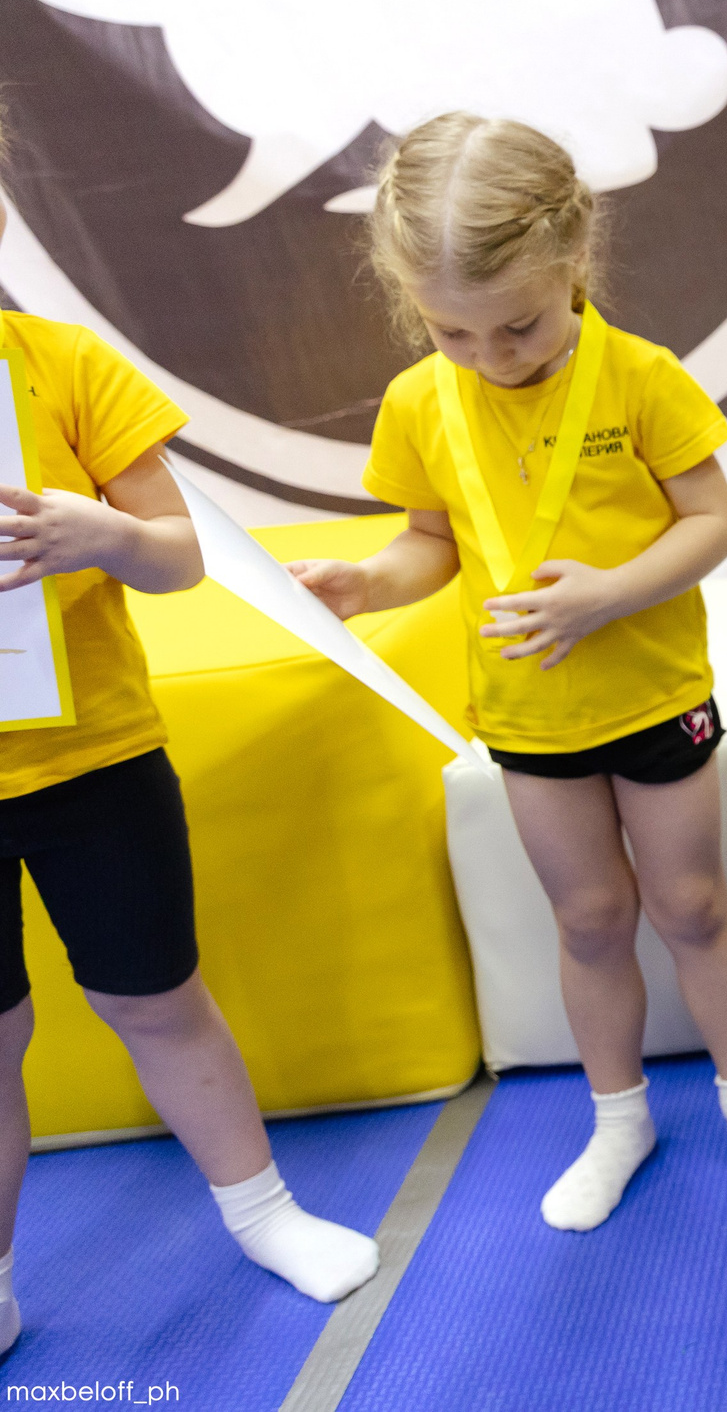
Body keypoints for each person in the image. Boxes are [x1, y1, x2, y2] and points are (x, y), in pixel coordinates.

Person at [292, 115, 727, 1233]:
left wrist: (608, 593)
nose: (495, 357)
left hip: (654, 695)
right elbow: (430, 543)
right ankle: (617, 1116)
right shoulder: (419, 403)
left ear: (574, 262)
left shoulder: (640, 377)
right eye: (454, 332)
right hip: (530, 716)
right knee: (587, 919)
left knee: (690, 903)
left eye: (520, 326)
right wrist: (367, 584)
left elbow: (714, 522)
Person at [0, 189, 379, 1336]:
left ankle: (262, 1210)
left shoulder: (63, 365)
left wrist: (101, 534)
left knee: (156, 999)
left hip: (94, 762)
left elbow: (181, 556)